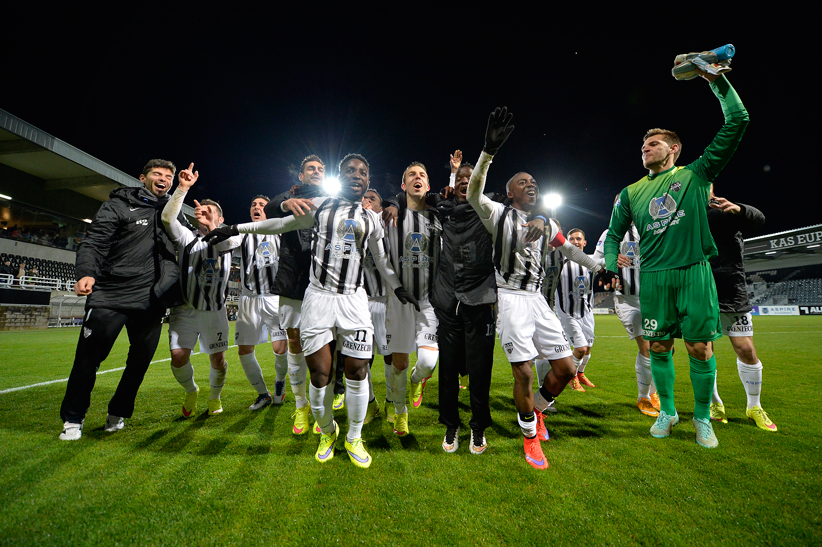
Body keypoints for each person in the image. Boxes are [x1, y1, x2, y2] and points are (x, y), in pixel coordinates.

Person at [205, 154, 419, 469]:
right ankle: (328, 432)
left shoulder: (370, 219)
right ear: (341, 176)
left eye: (363, 172)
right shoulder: (320, 205)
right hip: (318, 299)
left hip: (353, 300)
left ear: (368, 181)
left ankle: (354, 437)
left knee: (358, 370)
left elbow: (382, 259)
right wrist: (233, 228)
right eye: (350, 170)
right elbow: (280, 224)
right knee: (320, 375)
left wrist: (397, 287)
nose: (357, 175)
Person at [603, 70, 749, 449]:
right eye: (643, 145)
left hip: (694, 272)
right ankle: (668, 411)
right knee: (659, 347)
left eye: (653, 143)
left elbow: (738, 120)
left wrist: (715, 81)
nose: (645, 148)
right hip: (653, 277)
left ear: (674, 150)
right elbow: (614, 233)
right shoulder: (630, 191)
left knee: (700, 348)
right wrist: (608, 261)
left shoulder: (697, 174)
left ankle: (702, 418)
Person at [467, 107, 603, 470]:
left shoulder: (549, 223)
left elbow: (570, 249)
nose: (531, 185)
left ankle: (537, 412)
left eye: (534, 182)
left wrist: (598, 265)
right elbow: (473, 193)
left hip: (539, 300)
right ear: (510, 192)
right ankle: (529, 440)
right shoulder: (498, 214)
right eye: (523, 182)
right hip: (510, 298)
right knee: (524, 372)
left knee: (566, 369)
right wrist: (488, 152)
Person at [59, 159, 181, 440]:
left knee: (139, 363)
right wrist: (87, 272)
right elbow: (95, 241)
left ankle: (118, 413)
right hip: (110, 294)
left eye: (168, 176)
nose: (163, 179)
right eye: (157, 174)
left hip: (151, 299)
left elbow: (185, 245)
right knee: (88, 360)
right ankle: (73, 419)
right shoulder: (118, 205)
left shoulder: (171, 212)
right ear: (143, 177)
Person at [429, 158, 498, 454]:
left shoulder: (491, 206)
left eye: (470, 177)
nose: (464, 180)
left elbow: (523, 208)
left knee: (480, 368)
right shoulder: (441, 207)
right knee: (448, 366)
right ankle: (451, 424)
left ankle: (478, 427)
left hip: (480, 295)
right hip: (447, 296)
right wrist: (393, 203)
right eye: (460, 177)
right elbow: (411, 197)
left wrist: (543, 221)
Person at [161, 164, 237, 417]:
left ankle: (214, 397)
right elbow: (167, 219)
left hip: (214, 311)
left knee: (218, 360)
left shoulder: (231, 236)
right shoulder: (186, 237)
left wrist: (212, 225)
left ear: (222, 219)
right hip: (186, 309)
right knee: (178, 356)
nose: (203, 214)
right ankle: (191, 390)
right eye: (201, 212)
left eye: (211, 212)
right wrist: (182, 188)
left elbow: (225, 244)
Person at [263, 155, 326, 435]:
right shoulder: (289, 197)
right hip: (293, 280)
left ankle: (321, 407)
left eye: (320, 169)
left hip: (325, 283)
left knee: (326, 346)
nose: (316, 172)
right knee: (295, 343)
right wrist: (287, 203)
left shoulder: (331, 200)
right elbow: (270, 207)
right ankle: (301, 407)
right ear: (300, 176)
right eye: (311, 168)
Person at [381, 161, 442, 437]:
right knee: (400, 362)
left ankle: (419, 380)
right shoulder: (391, 216)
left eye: (423, 176)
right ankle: (400, 411)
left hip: (428, 301)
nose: (418, 178)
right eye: (411, 175)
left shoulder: (438, 218)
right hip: (399, 301)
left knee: (428, 362)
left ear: (428, 186)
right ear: (403, 186)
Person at [706, 193, 776, 431]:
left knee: (746, 349)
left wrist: (740, 209)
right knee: (704, 351)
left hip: (731, 290)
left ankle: (754, 406)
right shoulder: (687, 215)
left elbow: (758, 220)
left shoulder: (725, 211)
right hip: (701, 289)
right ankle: (714, 403)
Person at [594, 221, 660, 417]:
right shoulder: (610, 233)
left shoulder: (648, 229)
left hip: (653, 297)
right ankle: (643, 398)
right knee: (647, 347)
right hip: (627, 299)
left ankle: (654, 392)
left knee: (665, 349)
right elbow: (597, 260)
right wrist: (611, 261)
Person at [232, 195, 289, 411]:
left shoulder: (279, 231)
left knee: (280, 349)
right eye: (253, 204)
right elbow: (227, 243)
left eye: (262, 205)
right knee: (244, 350)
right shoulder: (243, 233)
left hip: (273, 297)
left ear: (269, 211)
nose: (257, 208)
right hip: (248, 298)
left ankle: (280, 384)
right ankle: (262, 394)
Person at [360, 189, 393, 424]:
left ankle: (392, 401)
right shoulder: (353, 228)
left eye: (372, 199)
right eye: (364, 198)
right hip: (362, 302)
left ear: (381, 207)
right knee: (361, 358)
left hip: (387, 303)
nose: (366, 201)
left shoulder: (390, 229)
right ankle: (370, 402)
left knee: (391, 357)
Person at [555, 228, 598, 392]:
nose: (575, 242)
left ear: (584, 242)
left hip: (586, 312)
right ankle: (570, 378)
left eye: (578, 239)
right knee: (580, 348)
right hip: (568, 313)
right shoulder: (561, 262)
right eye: (571, 239)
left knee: (587, 348)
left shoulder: (592, 261)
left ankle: (580, 373)